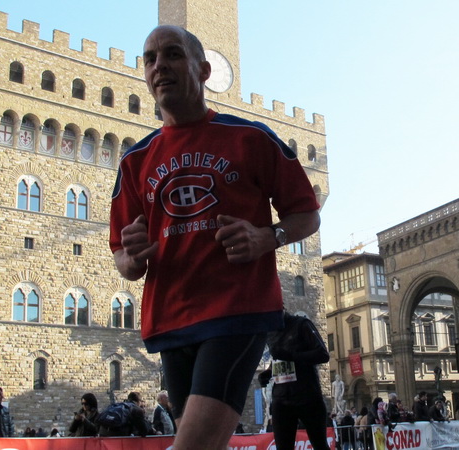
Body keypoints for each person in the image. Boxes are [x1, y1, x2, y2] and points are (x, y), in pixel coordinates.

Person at [109, 25, 320, 450]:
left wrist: (269, 236)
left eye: (172, 54)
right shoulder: (134, 160)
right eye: (150, 59)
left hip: (237, 311)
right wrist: (131, 258)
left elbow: (307, 214)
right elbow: (123, 258)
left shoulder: (251, 138)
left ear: (203, 71)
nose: (159, 66)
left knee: (192, 445)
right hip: (171, 322)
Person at [259, 311, 330, 450]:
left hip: (307, 396)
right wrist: (268, 373)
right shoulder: (270, 332)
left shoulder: (302, 324)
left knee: (320, 445)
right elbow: (278, 359)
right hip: (281, 399)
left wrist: (292, 356)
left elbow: (323, 355)